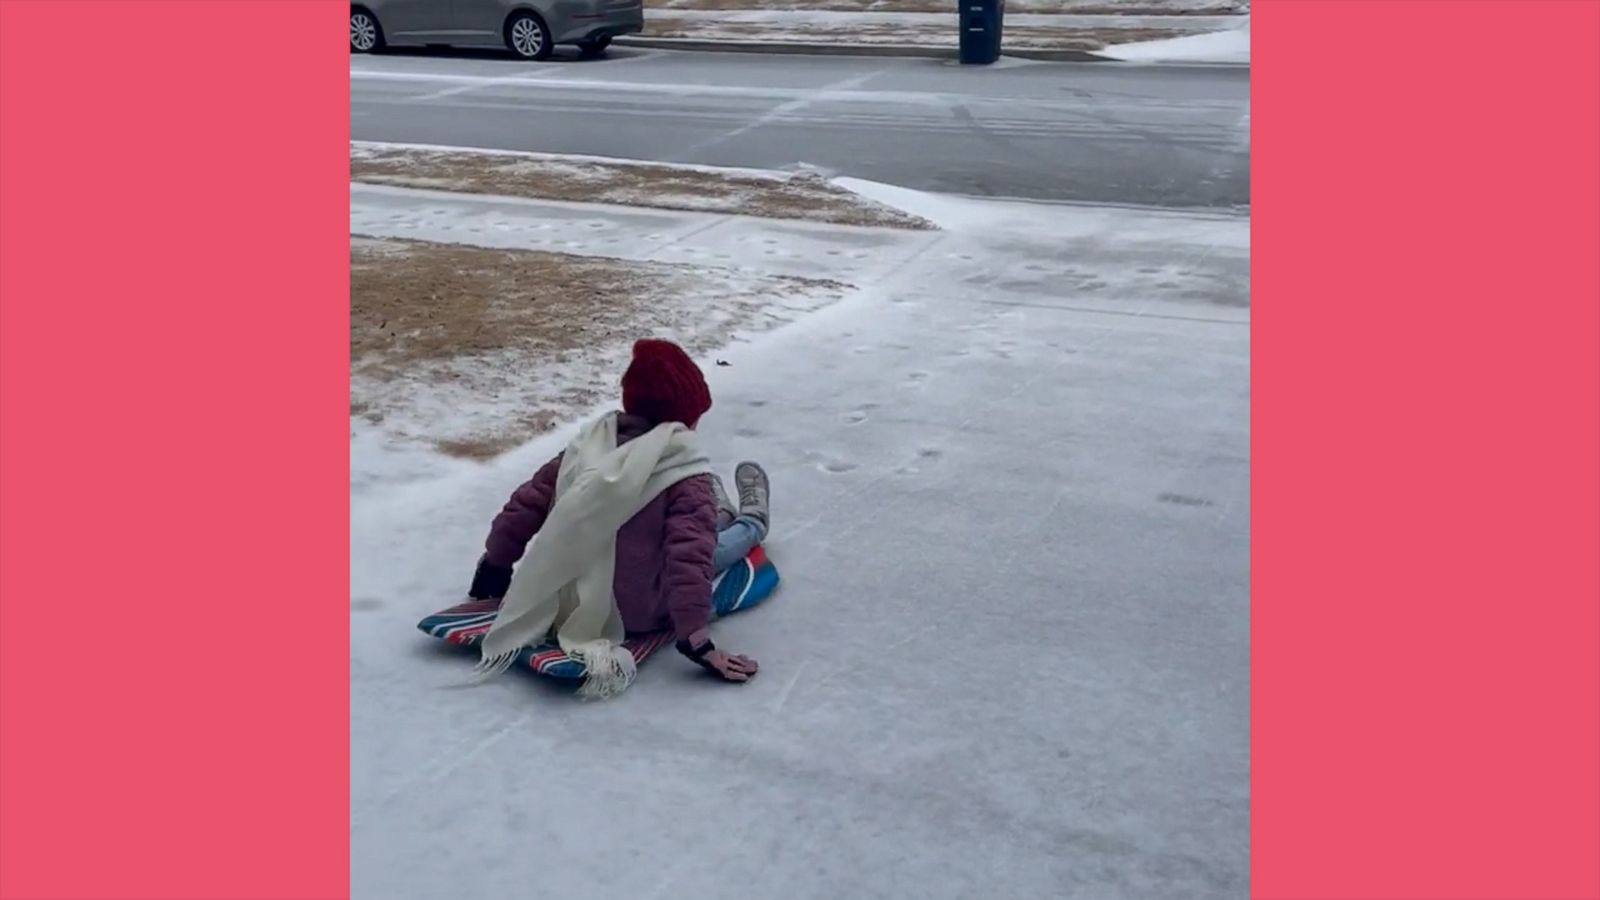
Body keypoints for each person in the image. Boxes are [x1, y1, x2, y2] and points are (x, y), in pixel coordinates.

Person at [465, 338, 771, 695]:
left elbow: (524, 508)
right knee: (710, 548)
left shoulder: (586, 448)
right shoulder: (687, 475)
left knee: (692, 525)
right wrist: (696, 639)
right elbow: (688, 558)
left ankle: (720, 513)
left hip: (562, 601)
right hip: (638, 612)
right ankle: (753, 520)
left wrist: (494, 568)